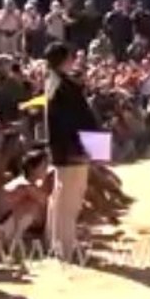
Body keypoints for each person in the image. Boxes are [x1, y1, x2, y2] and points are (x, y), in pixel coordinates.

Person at [44, 42, 100, 262]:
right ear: (64, 60)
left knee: (60, 197)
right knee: (69, 199)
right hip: (72, 149)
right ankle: (65, 249)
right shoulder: (62, 86)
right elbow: (74, 121)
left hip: (65, 148)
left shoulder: (55, 82)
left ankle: (57, 243)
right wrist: (86, 148)